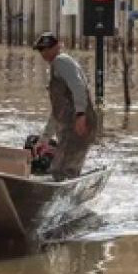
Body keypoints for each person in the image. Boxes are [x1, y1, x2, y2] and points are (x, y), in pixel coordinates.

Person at [33, 32, 99, 180]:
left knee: (63, 170)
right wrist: (44, 138)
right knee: (61, 168)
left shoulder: (61, 61)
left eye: (47, 48)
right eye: (41, 49)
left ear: (57, 46)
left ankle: (63, 198)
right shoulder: (56, 68)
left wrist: (81, 115)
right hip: (69, 128)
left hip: (78, 125)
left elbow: (79, 87)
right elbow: (57, 112)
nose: (44, 53)